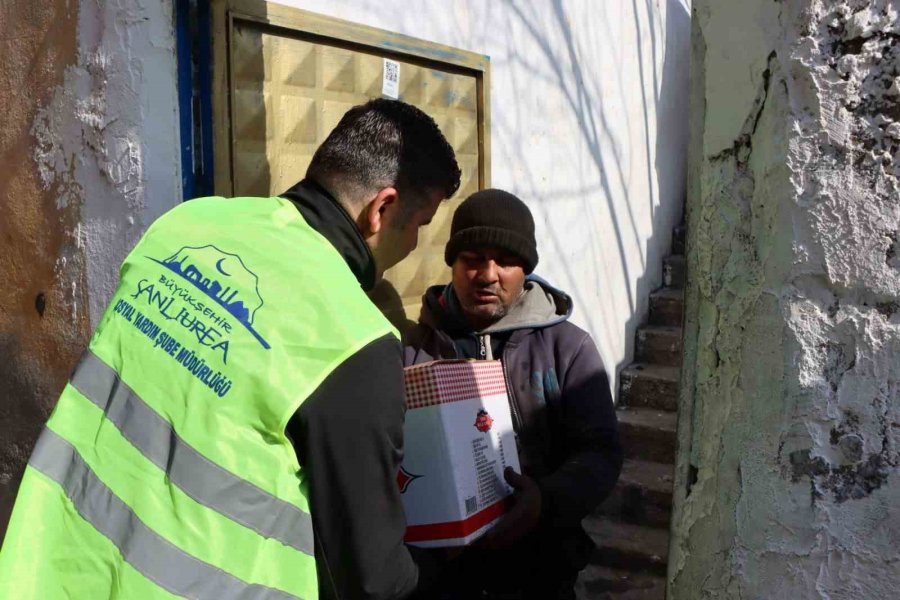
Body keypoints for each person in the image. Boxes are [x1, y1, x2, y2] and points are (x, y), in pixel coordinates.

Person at [0, 99, 461, 600]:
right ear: (382, 208)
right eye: (421, 225)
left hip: (47, 562)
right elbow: (373, 579)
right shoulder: (355, 338)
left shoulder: (190, 223)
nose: (414, 246)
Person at [403, 189, 623, 600]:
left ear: (526, 269)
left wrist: (544, 502)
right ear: (452, 264)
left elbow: (600, 452)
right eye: (472, 259)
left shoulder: (568, 349)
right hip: (438, 579)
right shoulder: (413, 349)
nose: (488, 275)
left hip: (540, 572)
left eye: (505, 261)